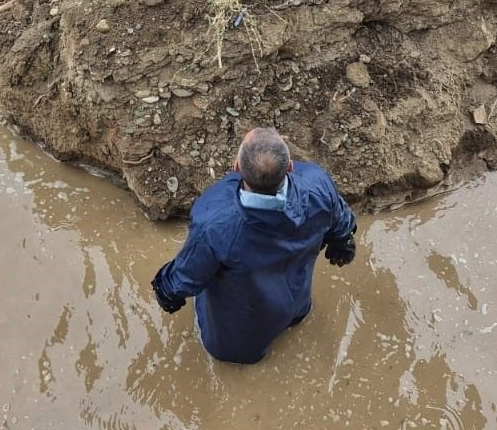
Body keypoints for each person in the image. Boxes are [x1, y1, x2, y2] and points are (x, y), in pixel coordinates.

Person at [151, 127, 356, 365]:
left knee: (235, 357)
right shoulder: (316, 184)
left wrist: (165, 292)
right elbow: (341, 223)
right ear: (291, 166)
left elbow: (187, 276)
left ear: (236, 167)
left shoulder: (216, 220)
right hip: (296, 303)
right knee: (293, 317)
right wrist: (343, 243)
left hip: (241, 330)